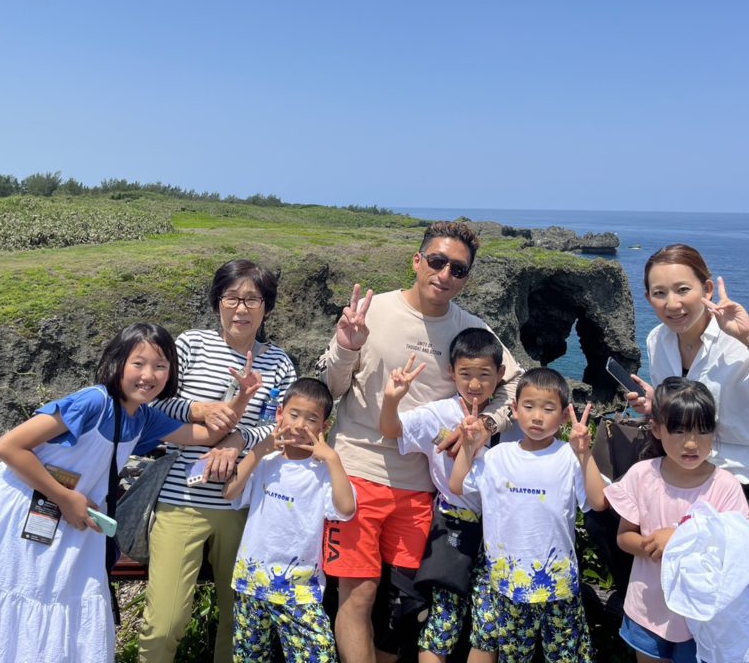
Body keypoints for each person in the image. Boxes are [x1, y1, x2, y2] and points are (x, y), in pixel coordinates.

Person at [0, 323, 262, 663]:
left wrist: (242, 399)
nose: (148, 375)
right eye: (138, 363)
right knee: (9, 598)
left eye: (160, 366)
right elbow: (8, 447)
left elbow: (208, 435)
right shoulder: (93, 402)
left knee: (57, 601)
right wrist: (64, 496)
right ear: (117, 363)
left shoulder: (143, 418)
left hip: (69, 520)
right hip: (22, 509)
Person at [320, 221, 524, 663]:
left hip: (421, 489)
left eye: (458, 269)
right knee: (358, 594)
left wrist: (487, 425)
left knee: (403, 611)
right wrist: (347, 347)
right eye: (437, 261)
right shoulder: (373, 311)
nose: (444, 274)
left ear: (466, 278)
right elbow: (330, 388)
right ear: (417, 261)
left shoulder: (471, 328)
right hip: (358, 473)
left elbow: (515, 384)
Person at [628, 244, 749, 605]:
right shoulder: (659, 340)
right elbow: (685, 407)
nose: (672, 304)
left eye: (683, 289)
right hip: (688, 471)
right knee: (614, 522)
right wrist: (655, 404)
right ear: (648, 298)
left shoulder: (740, 342)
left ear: (707, 289)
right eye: (660, 293)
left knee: (731, 589)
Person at [139, 259, 298, 663]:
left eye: (252, 300)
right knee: (165, 623)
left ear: (266, 307)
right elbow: (155, 402)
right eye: (232, 298)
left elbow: (283, 424)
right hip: (181, 501)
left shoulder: (279, 363)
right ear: (217, 303)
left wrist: (238, 439)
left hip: (243, 506)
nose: (241, 308)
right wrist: (201, 411)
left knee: (238, 622)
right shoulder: (190, 345)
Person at [593, 377, 749, 663]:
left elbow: (739, 549)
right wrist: (652, 545)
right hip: (648, 607)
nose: (691, 443)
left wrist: (678, 540)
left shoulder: (724, 485)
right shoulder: (643, 474)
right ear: (657, 429)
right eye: (679, 430)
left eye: (702, 431)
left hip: (701, 617)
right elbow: (624, 537)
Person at [449, 368, 603, 663]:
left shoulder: (569, 457)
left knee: (565, 657)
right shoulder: (497, 456)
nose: (537, 417)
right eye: (529, 407)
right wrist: (468, 447)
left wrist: (584, 453)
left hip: (559, 585)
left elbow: (598, 502)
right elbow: (457, 486)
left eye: (548, 409)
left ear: (563, 416)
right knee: (512, 657)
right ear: (515, 410)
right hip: (508, 585)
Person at [379, 327, 507, 663]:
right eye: (465, 374)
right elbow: (392, 430)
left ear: (500, 374)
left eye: (484, 375)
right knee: (443, 620)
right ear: (451, 372)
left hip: (499, 530)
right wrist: (392, 399)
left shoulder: (509, 420)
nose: (475, 384)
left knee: (489, 624)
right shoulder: (438, 414)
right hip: (454, 524)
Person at [223, 378, 356, 663]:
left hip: (301, 590)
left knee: (319, 654)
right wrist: (260, 449)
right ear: (279, 413)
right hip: (251, 583)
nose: (299, 425)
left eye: (311, 419)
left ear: (324, 427)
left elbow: (346, 510)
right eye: (294, 414)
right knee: (250, 657)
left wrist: (333, 459)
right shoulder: (264, 462)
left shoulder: (323, 472)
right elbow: (230, 492)